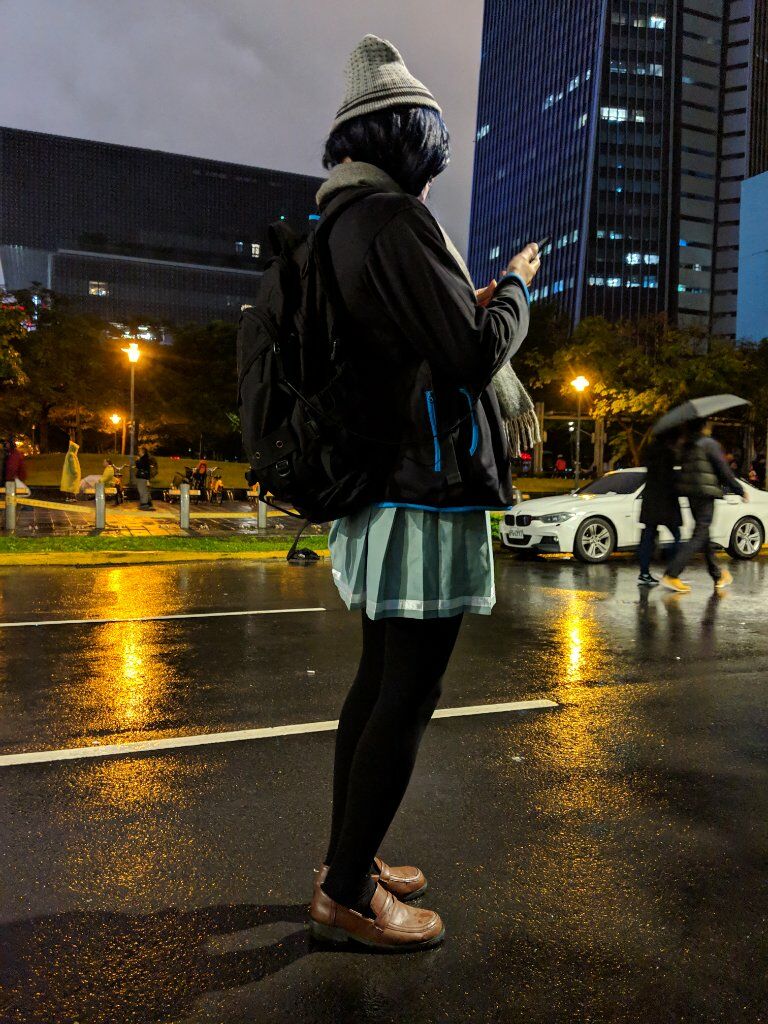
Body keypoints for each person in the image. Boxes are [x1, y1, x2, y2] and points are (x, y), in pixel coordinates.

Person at [307, 35, 539, 952]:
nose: (436, 169)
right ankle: (348, 896)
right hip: (424, 488)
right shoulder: (395, 220)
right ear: (407, 141)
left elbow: (415, 335)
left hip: (385, 485)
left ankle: (349, 862)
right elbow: (472, 355)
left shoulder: (342, 218)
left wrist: (462, 303)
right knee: (407, 692)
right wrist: (513, 291)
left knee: (377, 684)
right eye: (432, 149)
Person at [662, 419, 748, 593]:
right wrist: (739, 489)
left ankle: (718, 575)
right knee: (700, 534)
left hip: (691, 494)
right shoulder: (709, 444)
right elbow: (723, 469)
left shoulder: (686, 445)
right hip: (705, 493)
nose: (710, 427)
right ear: (703, 427)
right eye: (708, 424)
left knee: (704, 534)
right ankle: (672, 574)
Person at [636, 433, 682, 585]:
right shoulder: (669, 453)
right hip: (666, 500)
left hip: (650, 499)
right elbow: (670, 477)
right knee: (677, 535)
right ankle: (671, 572)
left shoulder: (649, 451)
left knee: (648, 535)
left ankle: (644, 572)